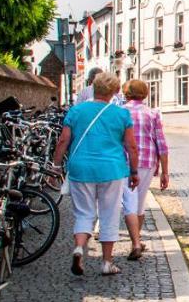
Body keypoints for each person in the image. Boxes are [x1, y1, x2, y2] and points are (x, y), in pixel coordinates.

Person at [52, 72, 138, 276]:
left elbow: (63, 140)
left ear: (94, 88)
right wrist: (134, 171)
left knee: (84, 213)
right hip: (112, 169)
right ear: (115, 91)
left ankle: (79, 248)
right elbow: (131, 147)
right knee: (109, 214)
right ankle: (107, 262)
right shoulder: (121, 114)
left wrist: (55, 166)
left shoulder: (76, 111)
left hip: (80, 169)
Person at [120, 79, 169, 260]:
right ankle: (137, 241)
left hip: (123, 161)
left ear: (126, 93)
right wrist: (165, 171)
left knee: (128, 202)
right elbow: (161, 144)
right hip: (147, 161)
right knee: (139, 203)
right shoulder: (152, 113)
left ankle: (135, 242)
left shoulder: (120, 112)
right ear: (145, 93)